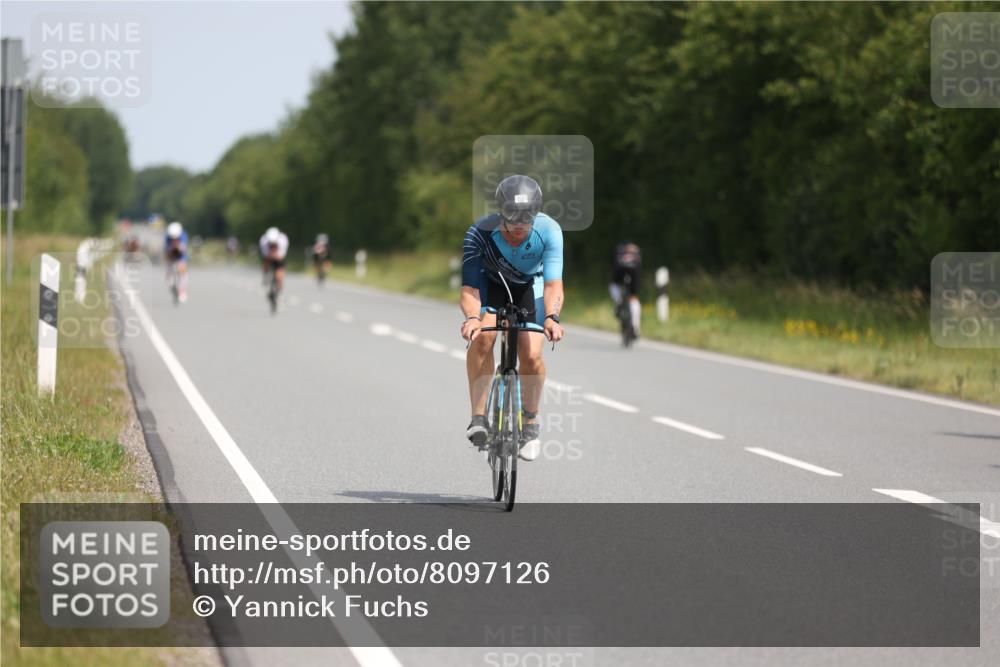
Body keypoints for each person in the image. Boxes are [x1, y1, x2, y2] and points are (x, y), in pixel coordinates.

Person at [460, 174, 565, 461]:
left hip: (532, 286)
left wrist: (553, 316)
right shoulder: (479, 232)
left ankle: (530, 423)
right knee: (484, 336)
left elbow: (555, 285)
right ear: (500, 213)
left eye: (526, 220)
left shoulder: (550, 231)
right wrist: (471, 318)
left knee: (531, 352)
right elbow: (469, 288)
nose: (519, 226)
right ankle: (479, 417)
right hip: (491, 284)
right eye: (512, 219)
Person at [611, 241, 642, 338]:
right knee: (634, 301)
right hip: (633, 278)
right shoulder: (636, 254)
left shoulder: (619, 252)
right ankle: (636, 328)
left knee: (617, 293)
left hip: (618, 280)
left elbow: (614, 280)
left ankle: (619, 305)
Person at [259, 226, 289, 294]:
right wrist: (270, 256)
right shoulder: (263, 241)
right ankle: (266, 275)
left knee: (280, 268)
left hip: (279, 255)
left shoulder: (283, 240)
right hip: (268, 256)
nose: (273, 244)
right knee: (266, 262)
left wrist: (277, 257)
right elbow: (265, 255)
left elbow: (282, 255)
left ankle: (280, 284)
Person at [164, 221, 189, 302]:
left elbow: (184, 249)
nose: (174, 239)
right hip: (171, 255)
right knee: (168, 271)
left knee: (183, 271)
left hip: (181, 255)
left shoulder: (183, 235)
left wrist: (179, 247)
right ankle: (171, 285)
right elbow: (166, 250)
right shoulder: (167, 236)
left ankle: (182, 291)